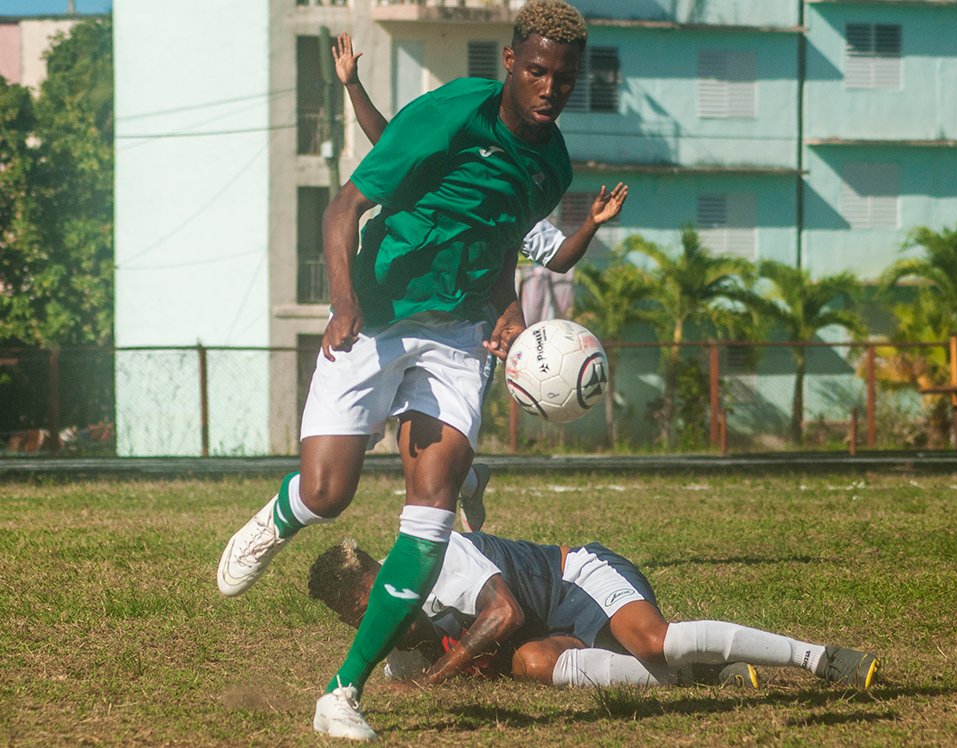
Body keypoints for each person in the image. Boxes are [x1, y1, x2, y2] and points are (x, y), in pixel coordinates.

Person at [216, 0, 590, 740]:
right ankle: (277, 519)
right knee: (328, 494)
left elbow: (496, 247)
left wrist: (506, 312)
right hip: (376, 316)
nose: (550, 89)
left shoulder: (551, 168)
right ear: (511, 62)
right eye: (538, 71)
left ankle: (341, 692)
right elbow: (343, 207)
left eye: (565, 79)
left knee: (430, 514)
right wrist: (344, 301)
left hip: (455, 339)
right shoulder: (450, 114)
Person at [332, 30, 628, 534]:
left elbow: (556, 260)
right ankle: (469, 482)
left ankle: (453, 504)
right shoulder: (450, 162)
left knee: (424, 444)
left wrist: (591, 224)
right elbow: (388, 142)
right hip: (400, 302)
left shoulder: (521, 207)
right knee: (398, 447)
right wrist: (354, 86)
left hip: (466, 315)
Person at [309, 532, 880, 692]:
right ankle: (704, 673)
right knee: (532, 666)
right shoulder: (394, 656)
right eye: (361, 619)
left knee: (653, 641)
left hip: (574, 579)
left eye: (374, 598)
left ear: (382, 573)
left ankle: (820, 658)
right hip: (549, 631)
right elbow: (508, 646)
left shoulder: (436, 558)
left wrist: (436, 678)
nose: (380, 615)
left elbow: (503, 615)